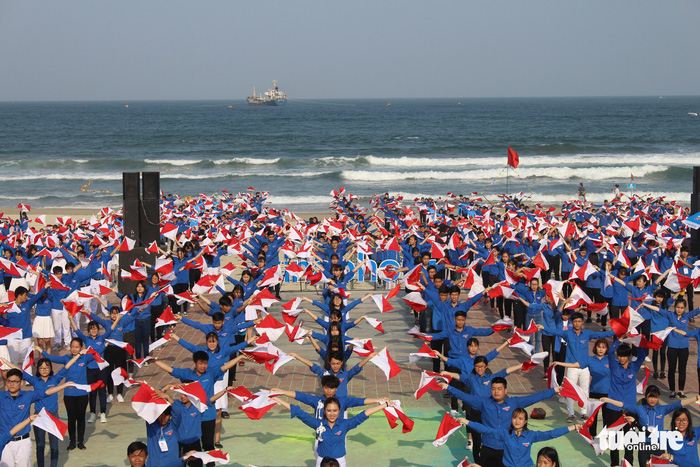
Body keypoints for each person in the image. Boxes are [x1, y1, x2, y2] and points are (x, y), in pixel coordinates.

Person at [439, 377, 561, 467]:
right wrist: (449, 388)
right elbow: (466, 397)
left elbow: (534, 398)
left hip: (506, 451)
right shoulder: (483, 403)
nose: (496, 391)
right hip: (488, 448)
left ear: (505, 390)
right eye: (493, 389)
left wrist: (553, 390)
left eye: (499, 389)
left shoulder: (514, 403)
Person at [272, 396, 394, 467]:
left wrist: (384, 405)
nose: (332, 414)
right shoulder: (317, 424)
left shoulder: (345, 425)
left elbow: (363, 415)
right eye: (329, 410)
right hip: (321, 461)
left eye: (335, 410)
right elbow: (300, 413)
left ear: (340, 411)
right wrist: (280, 400)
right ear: (324, 411)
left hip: (339, 462)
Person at [0, 356, 71, 467]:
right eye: (9, 381)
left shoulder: (28, 396)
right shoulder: (1, 397)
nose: (12, 384)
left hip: (24, 441)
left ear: (21, 383)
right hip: (6, 442)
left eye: (15, 381)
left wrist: (65, 385)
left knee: (53, 445)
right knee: (40, 444)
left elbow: (47, 392)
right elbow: (20, 373)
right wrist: (5, 362)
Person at [601, 384, 698, 466]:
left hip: (659, 444)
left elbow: (679, 404)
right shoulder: (639, 409)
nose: (653, 400)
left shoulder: (662, 409)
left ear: (658, 397)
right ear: (646, 396)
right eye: (650, 397)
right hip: (644, 445)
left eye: (655, 397)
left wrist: (696, 398)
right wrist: (609, 400)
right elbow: (623, 405)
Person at [457, 408, 580, 467]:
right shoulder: (504, 434)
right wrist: (467, 422)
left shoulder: (531, 435)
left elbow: (550, 434)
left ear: (525, 421)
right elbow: (486, 430)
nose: (517, 421)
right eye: (515, 417)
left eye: (520, 418)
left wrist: (572, 427)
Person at [42, 339, 95, 450]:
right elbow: (51, 358)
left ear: (81, 348)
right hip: (69, 394)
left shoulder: (85, 358)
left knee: (81, 418)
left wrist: (97, 346)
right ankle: (72, 442)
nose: (74, 349)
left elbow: (97, 353)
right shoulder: (66, 359)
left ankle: (80, 441)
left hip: (82, 393)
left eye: (77, 347)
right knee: (71, 418)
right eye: (72, 346)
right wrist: (40, 350)